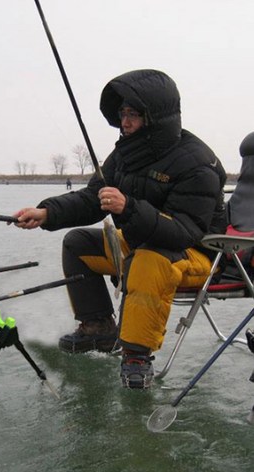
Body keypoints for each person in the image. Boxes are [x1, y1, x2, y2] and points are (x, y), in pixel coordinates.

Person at [12, 69, 227, 389]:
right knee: (78, 243)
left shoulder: (197, 163)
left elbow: (185, 232)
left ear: (155, 117)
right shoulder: (126, 153)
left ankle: (137, 355)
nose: (124, 122)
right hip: (145, 242)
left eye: (133, 114)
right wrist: (47, 212)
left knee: (150, 257)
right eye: (122, 113)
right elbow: (91, 197)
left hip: (197, 255)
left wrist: (128, 207)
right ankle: (98, 327)